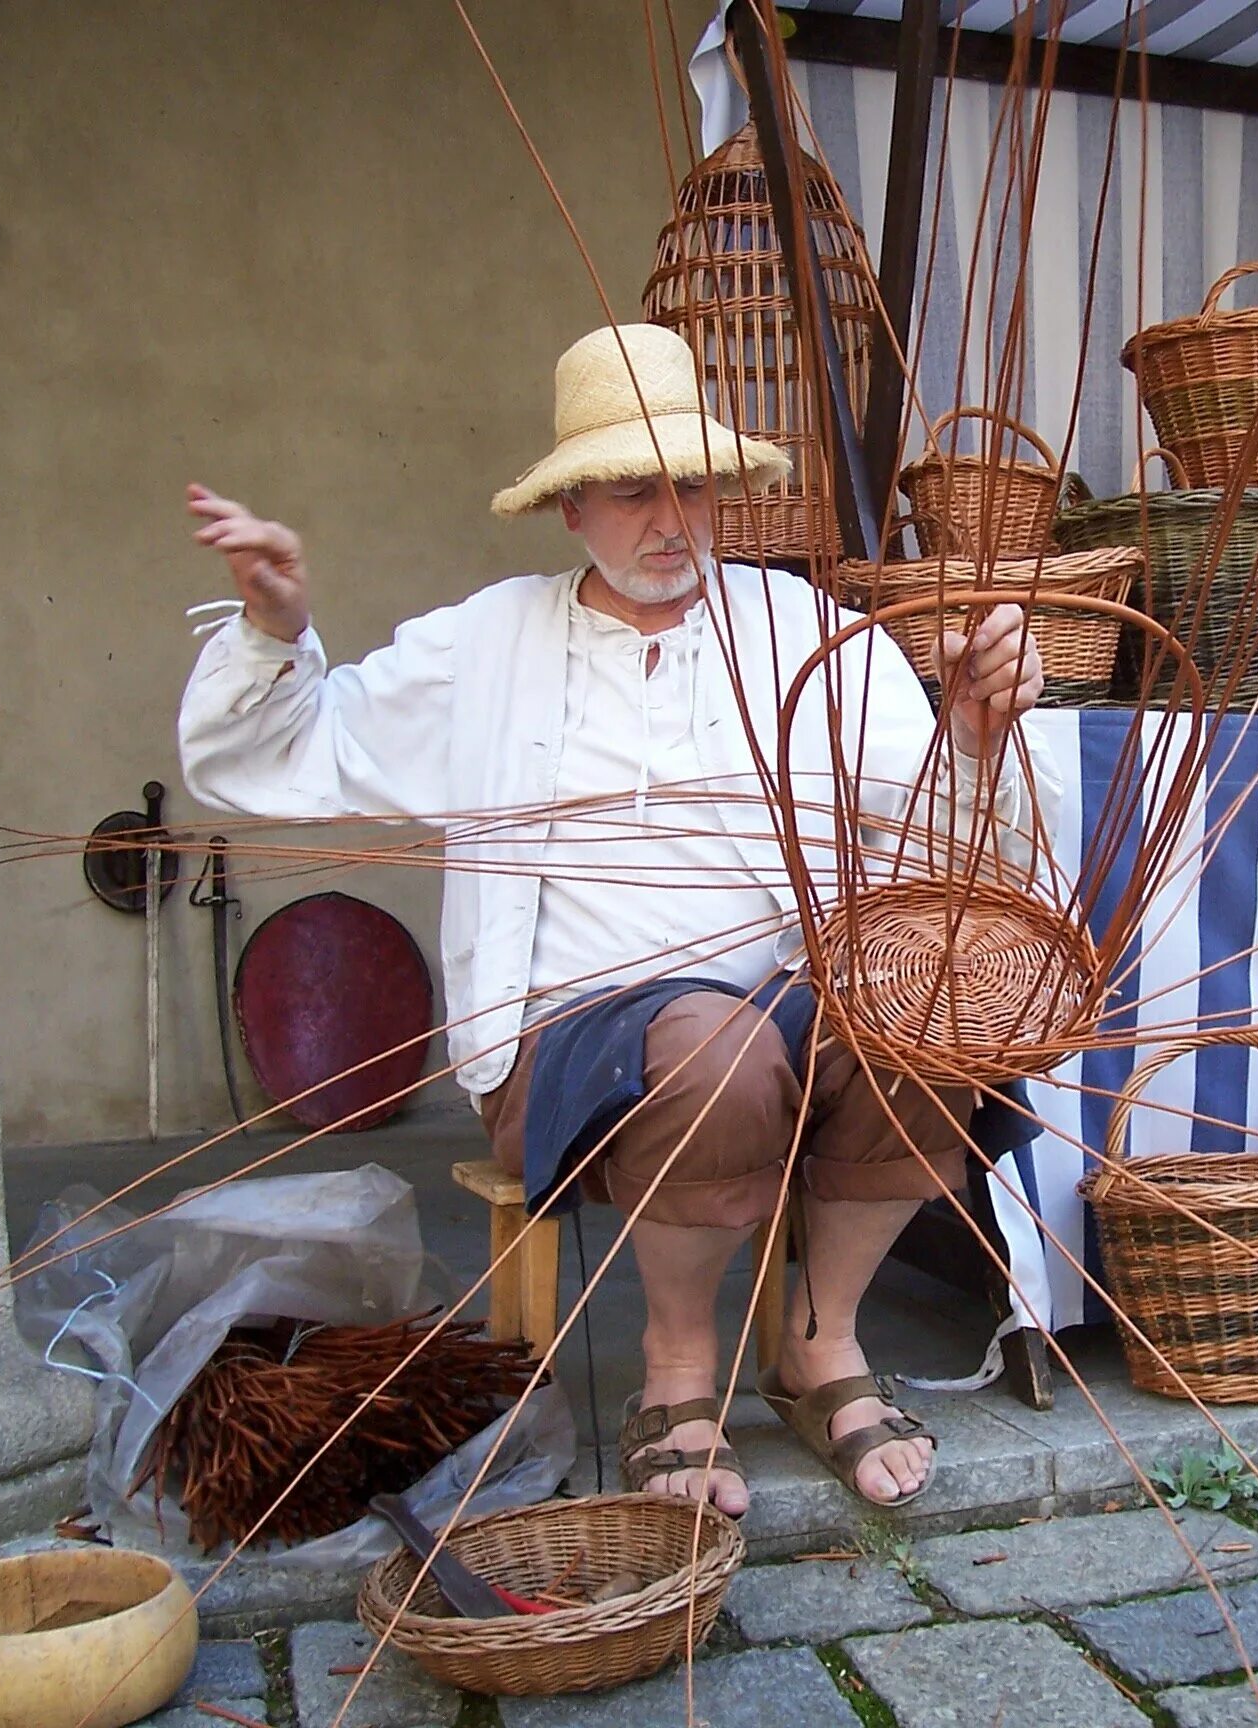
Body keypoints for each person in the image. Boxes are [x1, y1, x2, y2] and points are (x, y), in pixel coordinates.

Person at [179, 322, 1058, 1515]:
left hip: (789, 1014)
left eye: (690, 487)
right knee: (714, 1049)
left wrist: (970, 731)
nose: (667, 520)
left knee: (924, 1020)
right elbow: (276, 754)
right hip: (568, 1046)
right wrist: (276, 628)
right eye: (630, 490)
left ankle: (821, 1339)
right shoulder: (485, 643)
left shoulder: (804, 634)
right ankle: (676, 1371)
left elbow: (928, 857)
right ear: (570, 512)